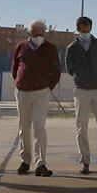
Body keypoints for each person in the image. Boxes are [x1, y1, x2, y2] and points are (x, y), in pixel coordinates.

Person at [12, 19, 62, 177]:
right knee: (24, 129)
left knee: (39, 128)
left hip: (42, 92)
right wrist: (20, 82)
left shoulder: (50, 48)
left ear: (44, 33)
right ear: (29, 33)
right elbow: (14, 67)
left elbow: (56, 71)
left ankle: (40, 163)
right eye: (35, 34)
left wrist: (48, 87)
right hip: (22, 92)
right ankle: (25, 161)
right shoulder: (21, 47)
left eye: (41, 33)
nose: (38, 36)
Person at [65, 16, 97, 174]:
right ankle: (85, 161)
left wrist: (95, 73)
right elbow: (70, 68)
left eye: (87, 28)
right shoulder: (71, 48)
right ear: (77, 29)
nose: (85, 30)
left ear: (91, 28)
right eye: (82, 28)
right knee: (81, 127)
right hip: (81, 89)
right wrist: (83, 72)